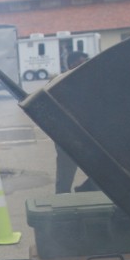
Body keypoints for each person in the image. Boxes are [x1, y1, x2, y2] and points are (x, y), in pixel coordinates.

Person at [54, 51, 98, 194]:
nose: (87, 65)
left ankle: (85, 190)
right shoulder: (61, 82)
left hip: (88, 135)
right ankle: (62, 200)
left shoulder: (88, 81)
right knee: (65, 174)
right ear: (73, 65)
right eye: (83, 63)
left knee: (101, 171)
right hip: (67, 137)